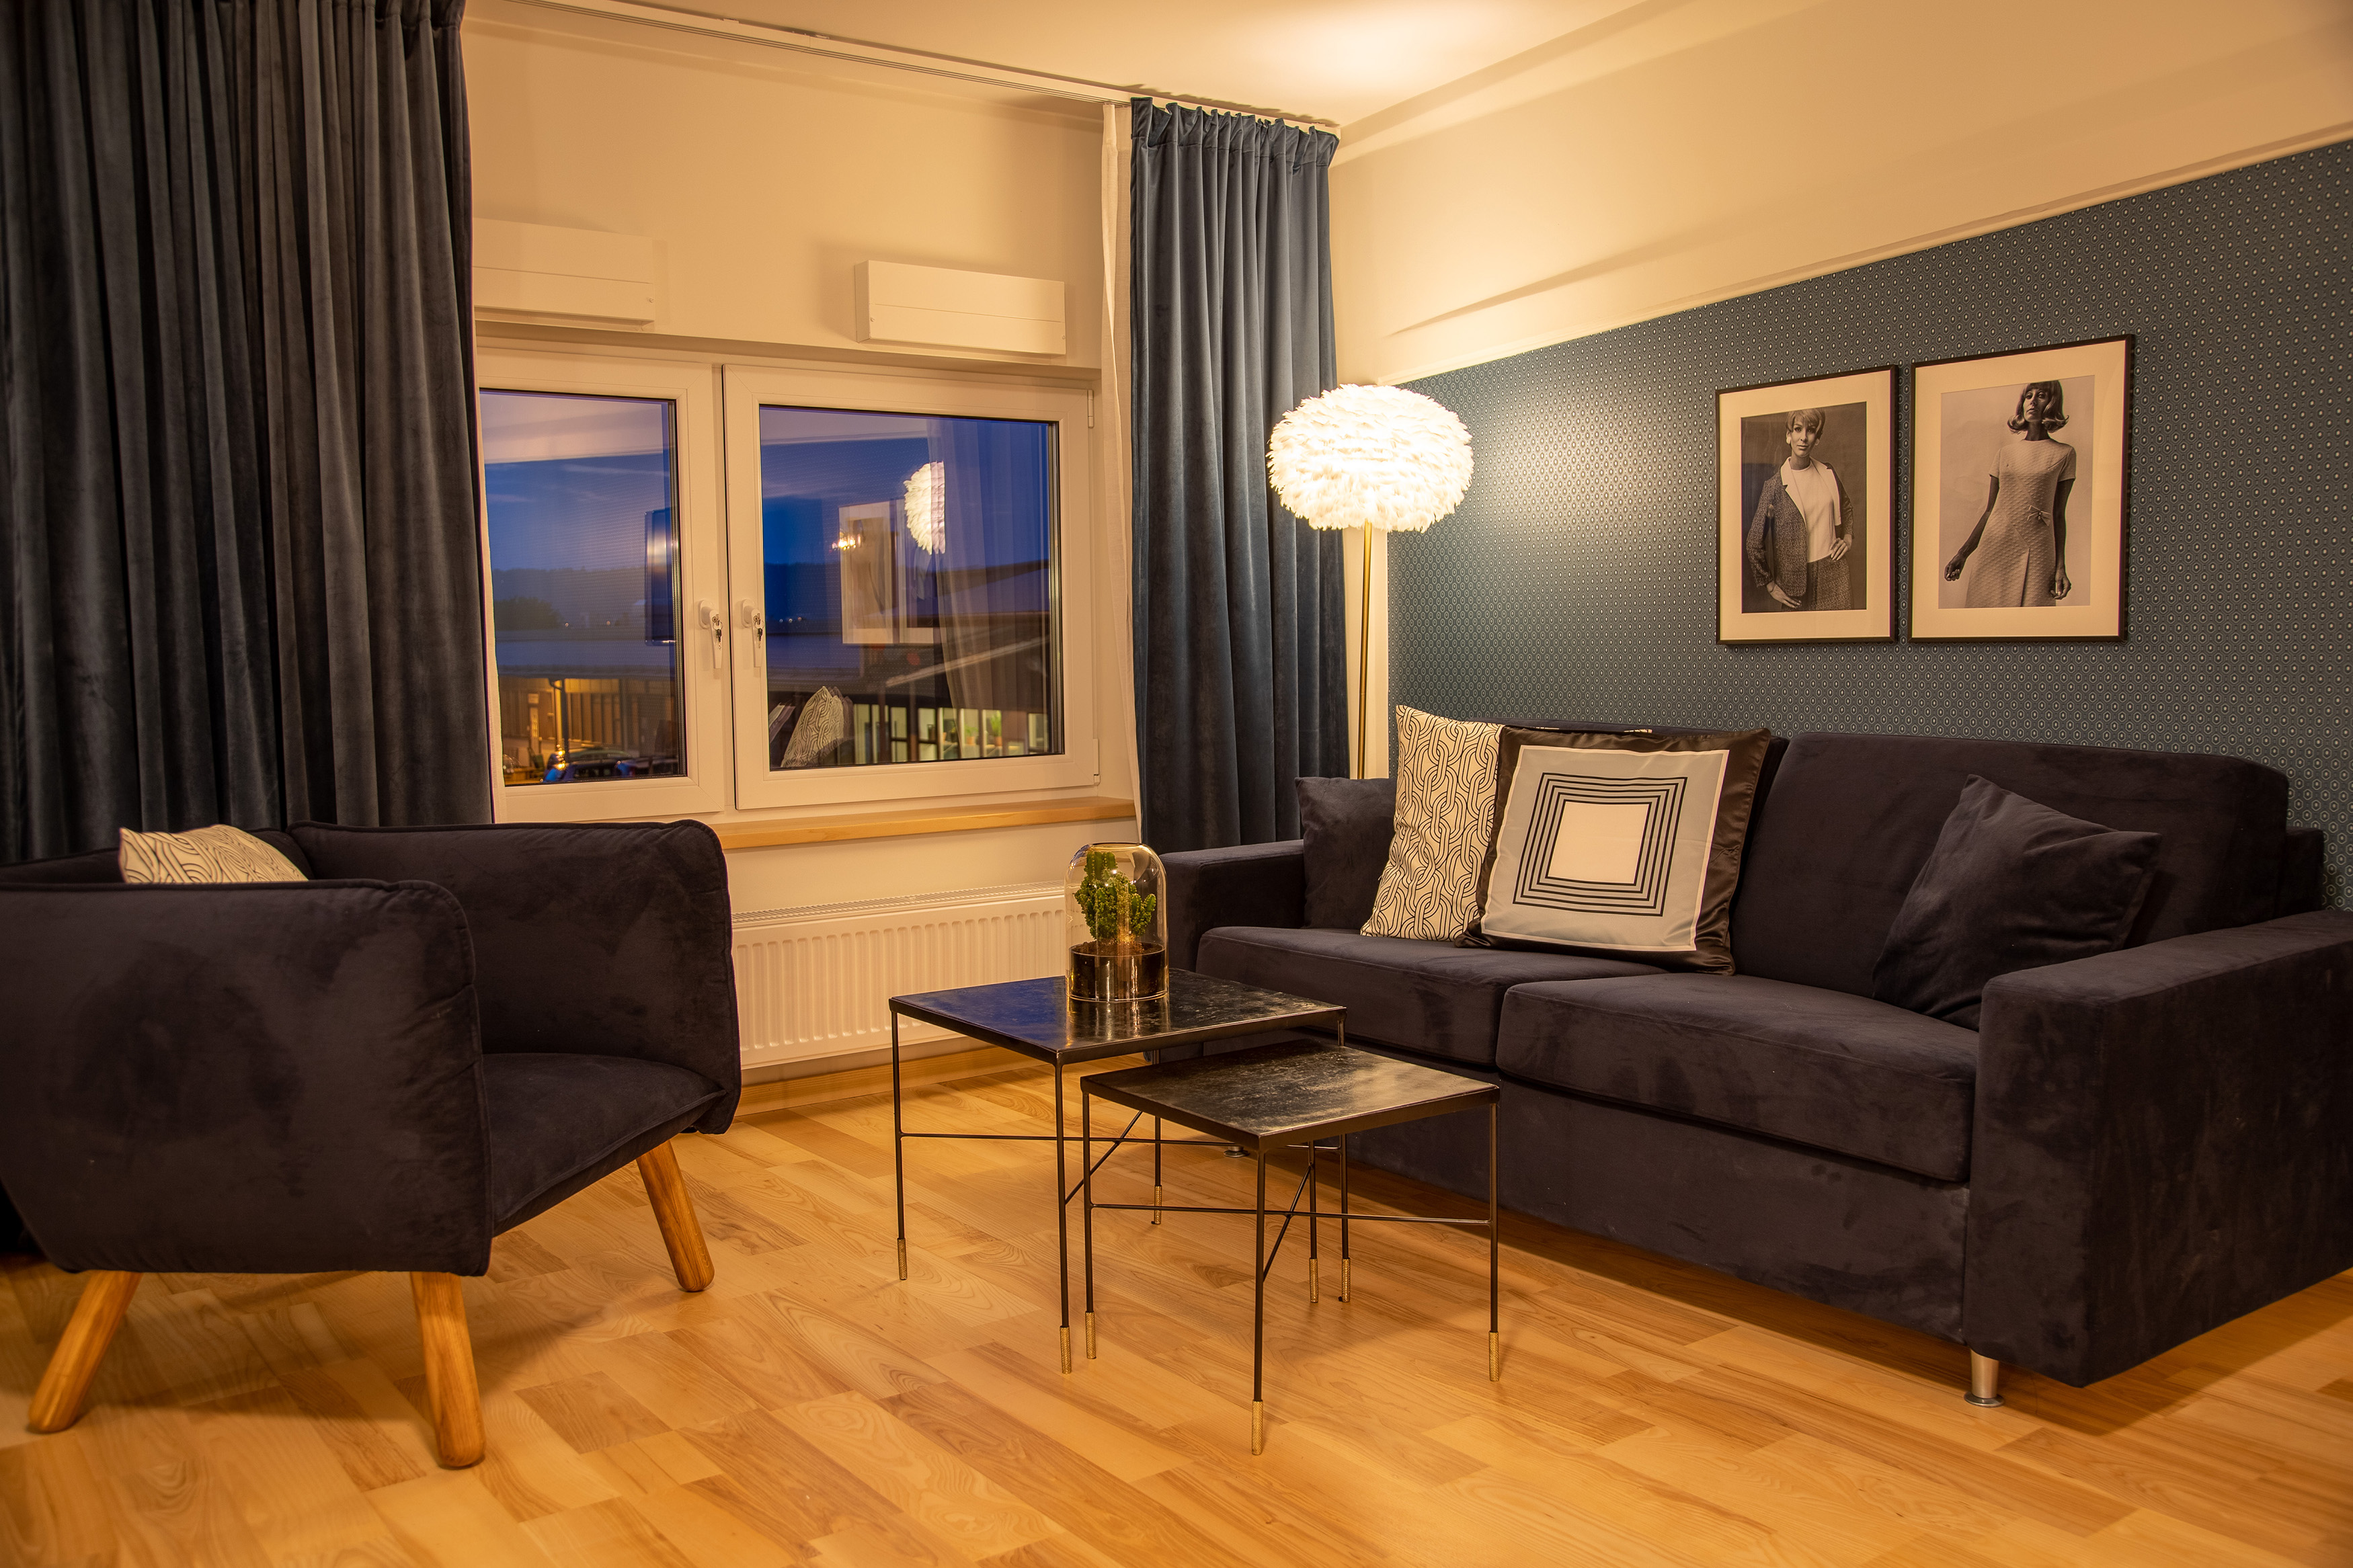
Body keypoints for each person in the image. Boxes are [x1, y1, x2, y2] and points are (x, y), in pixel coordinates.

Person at [1944, 381, 2076, 606]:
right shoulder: (2005, 453)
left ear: (2052, 403)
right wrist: (1963, 554)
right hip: (1996, 545)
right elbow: (1989, 511)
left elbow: (2058, 514)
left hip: (2038, 547)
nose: (2033, 401)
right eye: (2028, 396)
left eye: (2041, 395)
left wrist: (2060, 567)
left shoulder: (2064, 454)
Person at [1743, 407, 1852, 611]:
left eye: (1810, 431)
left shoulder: (1828, 473)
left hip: (1835, 577)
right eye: (1797, 429)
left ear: (1817, 439)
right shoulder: (1774, 486)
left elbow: (1845, 506)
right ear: (1788, 435)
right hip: (1796, 588)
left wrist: (1847, 537)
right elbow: (1753, 543)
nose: (1803, 437)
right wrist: (1770, 585)